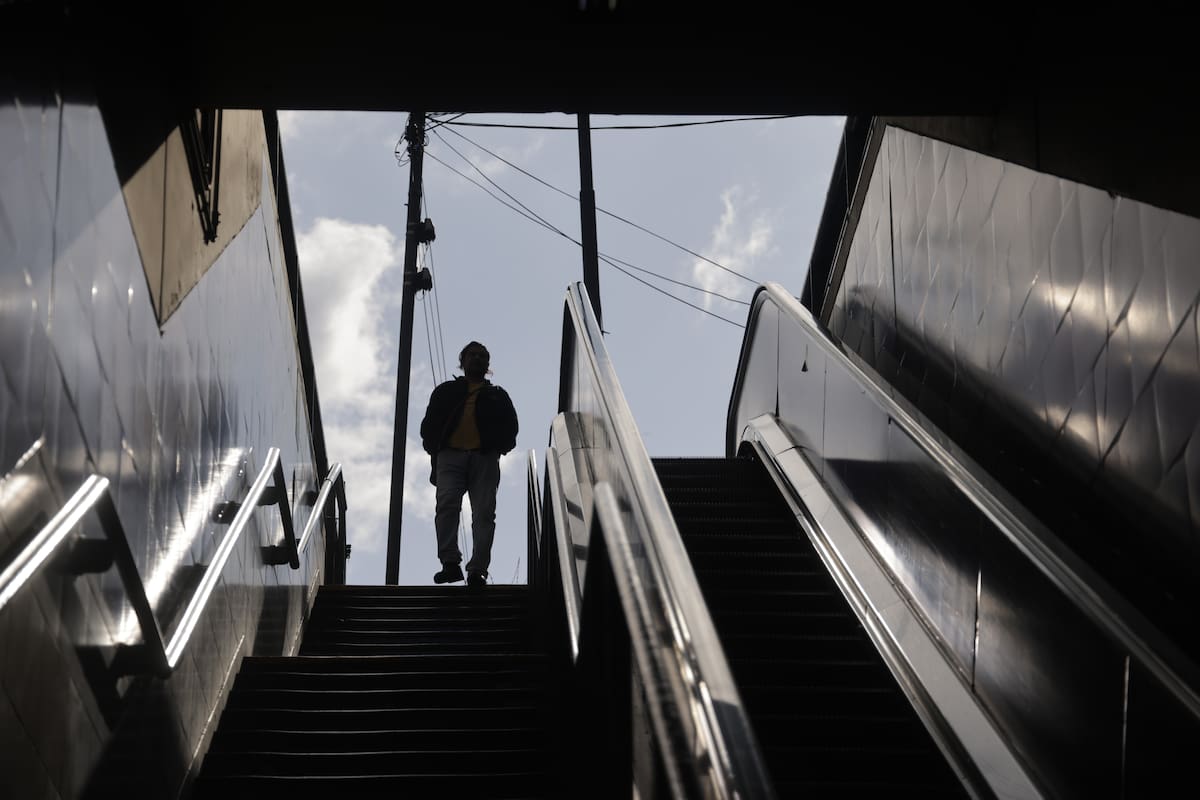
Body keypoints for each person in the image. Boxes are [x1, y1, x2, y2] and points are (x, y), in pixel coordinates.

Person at [419, 341, 519, 587]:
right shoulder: (446, 391)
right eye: (472, 355)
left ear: (488, 364)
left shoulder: (498, 395)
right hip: (450, 456)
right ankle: (450, 563)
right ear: (462, 361)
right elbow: (429, 423)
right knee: (447, 506)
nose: (477, 359)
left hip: (484, 458)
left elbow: (511, 427)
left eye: (482, 356)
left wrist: (498, 447)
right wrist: (435, 448)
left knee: (484, 513)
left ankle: (477, 570)